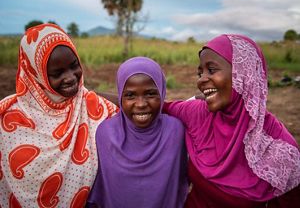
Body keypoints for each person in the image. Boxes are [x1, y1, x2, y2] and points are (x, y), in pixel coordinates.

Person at [164, 34, 300, 207]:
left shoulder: (281, 151)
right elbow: (154, 105)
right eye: (200, 73)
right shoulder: (198, 113)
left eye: (211, 70)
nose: (201, 80)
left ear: (244, 74)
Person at [0, 23, 118, 207]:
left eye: (74, 66)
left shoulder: (91, 105)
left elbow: (133, 106)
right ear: (36, 74)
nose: (71, 77)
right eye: (57, 73)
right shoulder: (6, 117)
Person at [87, 57, 188, 208]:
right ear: (120, 96)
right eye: (130, 95)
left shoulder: (175, 131)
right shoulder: (105, 134)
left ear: (161, 92)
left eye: (150, 94)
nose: (141, 104)